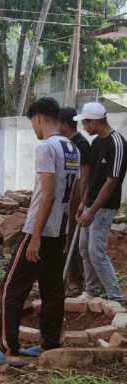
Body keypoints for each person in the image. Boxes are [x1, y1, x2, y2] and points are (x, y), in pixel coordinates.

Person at [0, 97, 80, 367]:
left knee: (12, 287)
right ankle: (50, 344)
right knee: (52, 288)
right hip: (59, 230)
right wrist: (67, 231)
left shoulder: (47, 148)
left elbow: (47, 194)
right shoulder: (72, 148)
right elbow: (75, 195)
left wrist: (35, 235)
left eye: (32, 124)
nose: (33, 129)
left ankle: (9, 348)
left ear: (38, 118)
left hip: (40, 229)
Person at [75, 101, 127, 304]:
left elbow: (111, 182)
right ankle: (92, 290)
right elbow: (94, 178)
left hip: (104, 207)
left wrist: (93, 210)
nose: (84, 128)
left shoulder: (118, 143)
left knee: (96, 251)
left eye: (85, 123)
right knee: (83, 248)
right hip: (90, 204)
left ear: (95, 122)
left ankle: (115, 297)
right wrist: (83, 203)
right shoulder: (96, 143)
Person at [58, 106, 91, 293]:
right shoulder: (66, 143)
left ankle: (75, 282)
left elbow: (86, 176)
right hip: (66, 198)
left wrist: (80, 201)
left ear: (63, 124)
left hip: (76, 198)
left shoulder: (81, 144)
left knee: (73, 239)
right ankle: (64, 278)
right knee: (64, 238)